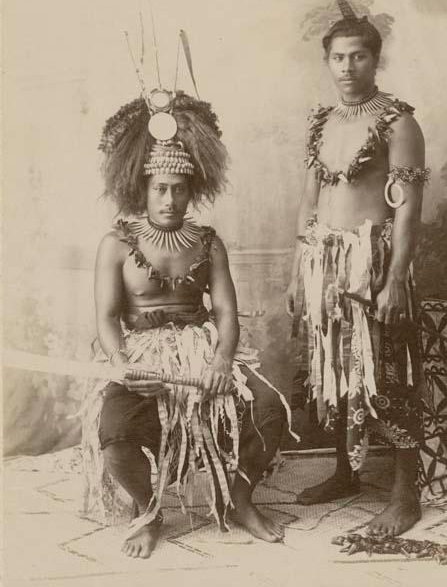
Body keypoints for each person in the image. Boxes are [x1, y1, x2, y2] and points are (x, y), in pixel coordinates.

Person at [81, 51, 293, 557]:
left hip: (202, 351)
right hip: (139, 355)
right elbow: (107, 318)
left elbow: (224, 311)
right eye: (160, 189)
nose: (170, 200)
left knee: (269, 411)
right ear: (143, 189)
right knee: (115, 432)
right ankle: (146, 510)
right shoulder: (116, 243)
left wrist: (222, 360)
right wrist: (121, 364)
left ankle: (240, 499)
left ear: (191, 190)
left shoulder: (208, 241)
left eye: (179, 190)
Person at [286, 0, 429, 537]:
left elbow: (410, 210)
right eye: (338, 58)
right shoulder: (322, 123)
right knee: (335, 370)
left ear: (376, 59)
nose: (348, 68)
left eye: (359, 56)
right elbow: (308, 202)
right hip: (325, 266)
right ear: (327, 61)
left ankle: (404, 494)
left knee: (386, 374)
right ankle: (345, 471)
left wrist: (395, 281)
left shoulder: (398, 123)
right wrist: (301, 272)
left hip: (374, 266)